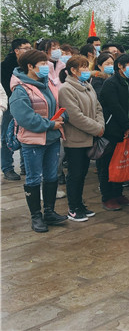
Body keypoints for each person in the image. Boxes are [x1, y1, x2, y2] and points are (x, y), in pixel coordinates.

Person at [9, 49, 67, 232]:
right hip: (33, 140)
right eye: (41, 64)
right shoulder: (20, 89)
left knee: (51, 176)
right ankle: (36, 216)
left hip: (52, 138)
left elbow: (56, 104)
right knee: (34, 178)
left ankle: (49, 211)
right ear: (30, 66)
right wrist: (50, 124)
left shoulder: (47, 83)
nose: (45, 67)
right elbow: (25, 118)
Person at [58, 55, 106, 222]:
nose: (87, 71)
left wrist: (100, 126)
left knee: (82, 173)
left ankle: (80, 204)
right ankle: (73, 207)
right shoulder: (66, 89)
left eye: (87, 67)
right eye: (83, 67)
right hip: (76, 139)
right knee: (75, 174)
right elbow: (74, 116)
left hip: (90, 136)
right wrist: (96, 129)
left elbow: (98, 108)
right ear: (73, 70)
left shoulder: (87, 86)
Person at [96, 53, 129, 211]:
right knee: (108, 165)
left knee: (121, 163)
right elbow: (114, 107)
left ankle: (118, 193)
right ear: (120, 66)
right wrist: (127, 124)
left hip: (126, 129)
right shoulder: (111, 83)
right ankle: (108, 197)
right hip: (112, 129)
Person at [1, 38, 31, 180]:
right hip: (10, 105)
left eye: (30, 47)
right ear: (16, 51)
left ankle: (25, 165)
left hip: (28, 104)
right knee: (8, 136)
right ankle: (7, 168)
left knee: (26, 134)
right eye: (25, 48)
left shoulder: (28, 64)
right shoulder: (6, 66)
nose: (29, 50)